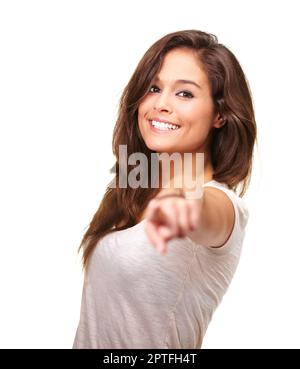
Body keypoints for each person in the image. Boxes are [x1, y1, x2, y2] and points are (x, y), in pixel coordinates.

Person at [72, 29, 257, 349]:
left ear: (220, 114)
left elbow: (207, 215)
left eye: (184, 93)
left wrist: (186, 204)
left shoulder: (222, 205)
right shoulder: (132, 190)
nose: (161, 104)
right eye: (154, 87)